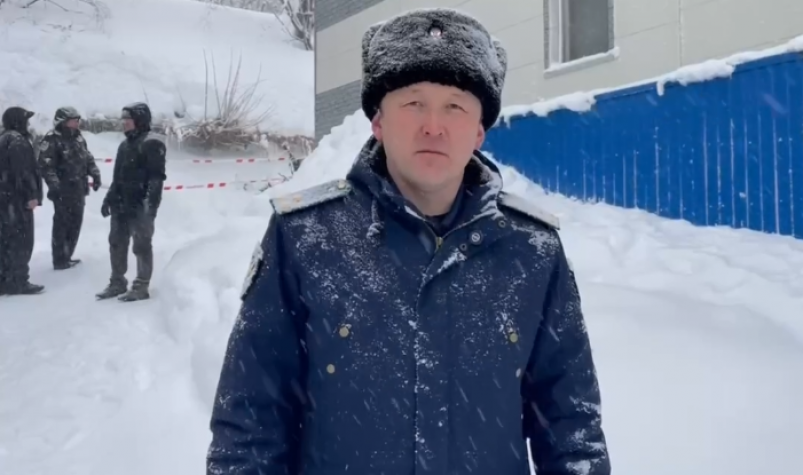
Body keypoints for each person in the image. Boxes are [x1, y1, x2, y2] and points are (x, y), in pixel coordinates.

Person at [207, 8, 611, 475]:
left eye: (455, 106)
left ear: (480, 130)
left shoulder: (532, 250)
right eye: (413, 103)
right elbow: (250, 425)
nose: (433, 126)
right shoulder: (305, 239)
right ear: (378, 121)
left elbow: (572, 431)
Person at [95, 102, 166, 302]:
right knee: (116, 243)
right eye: (124, 119)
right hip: (120, 204)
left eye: (128, 119)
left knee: (141, 245)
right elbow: (118, 177)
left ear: (140, 120)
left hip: (140, 204)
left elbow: (156, 179)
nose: (124, 123)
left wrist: (150, 206)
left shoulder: (152, 144)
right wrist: (108, 199)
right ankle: (117, 282)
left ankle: (141, 286)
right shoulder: (124, 145)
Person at [38, 106, 103, 270]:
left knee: (75, 223)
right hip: (62, 191)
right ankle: (59, 259)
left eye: (77, 120)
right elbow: (46, 166)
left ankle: (67, 255)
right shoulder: (52, 139)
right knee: (62, 225)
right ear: (62, 122)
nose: (76, 123)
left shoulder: (78, 138)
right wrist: (54, 185)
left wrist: (95, 174)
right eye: (73, 120)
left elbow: (87, 158)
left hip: (79, 189)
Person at [0, 106, 45, 295]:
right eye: (26, 120)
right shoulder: (18, 141)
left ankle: (5, 280)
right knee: (22, 241)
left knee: (6, 240)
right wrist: (31, 195)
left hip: (5, 200)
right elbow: (23, 172)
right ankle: (18, 281)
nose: (28, 124)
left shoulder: (3, 138)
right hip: (17, 201)